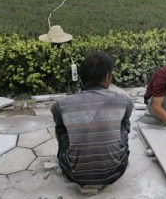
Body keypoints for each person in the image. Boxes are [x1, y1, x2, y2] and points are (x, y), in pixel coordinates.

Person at [51, 52, 133, 186]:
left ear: (82, 78)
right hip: (114, 172)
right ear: (107, 77)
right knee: (124, 123)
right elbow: (124, 123)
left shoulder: (60, 105)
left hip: (74, 174)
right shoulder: (125, 101)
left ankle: (77, 159)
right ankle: (113, 157)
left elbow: (60, 129)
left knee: (62, 127)